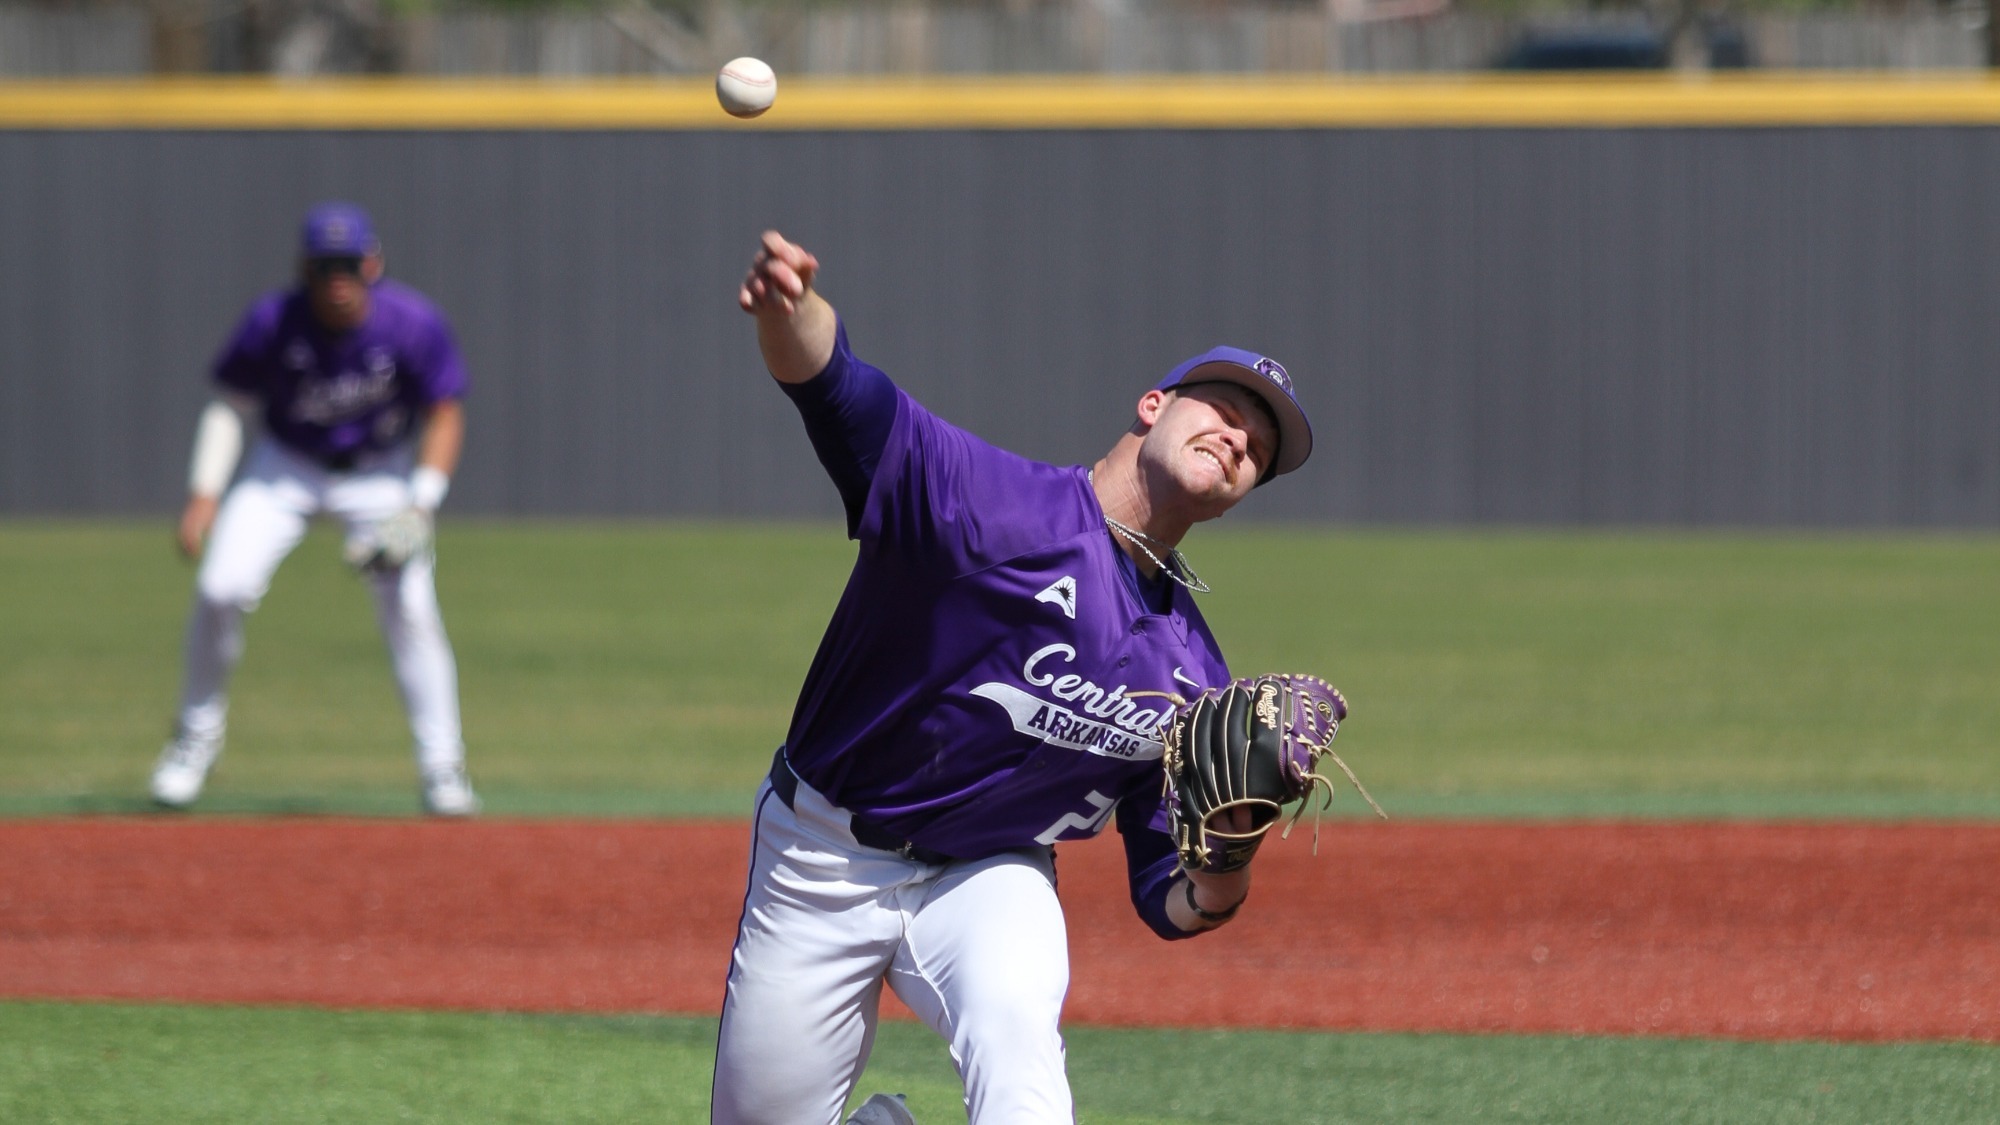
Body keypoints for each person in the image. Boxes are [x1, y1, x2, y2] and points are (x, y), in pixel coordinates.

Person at [712, 231, 1315, 1124]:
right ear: (1152, 406)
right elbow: (837, 386)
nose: (1239, 438)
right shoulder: (989, 505)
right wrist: (791, 309)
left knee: (1019, 1056)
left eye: (1259, 446)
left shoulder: (1190, 675)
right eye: (1223, 410)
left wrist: (1229, 858)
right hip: (821, 854)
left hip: (991, 876)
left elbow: (1171, 900)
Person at [148, 202, 478, 817]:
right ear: (304, 268)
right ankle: (193, 742)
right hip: (286, 468)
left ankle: (443, 767)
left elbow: (445, 411)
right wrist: (204, 492)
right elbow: (229, 403)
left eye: (349, 263)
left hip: (378, 473)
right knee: (220, 588)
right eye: (325, 265)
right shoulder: (273, 321)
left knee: (410, 607)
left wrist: (421, 505)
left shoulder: (411, 323)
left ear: (372, 262)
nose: (338, 278)